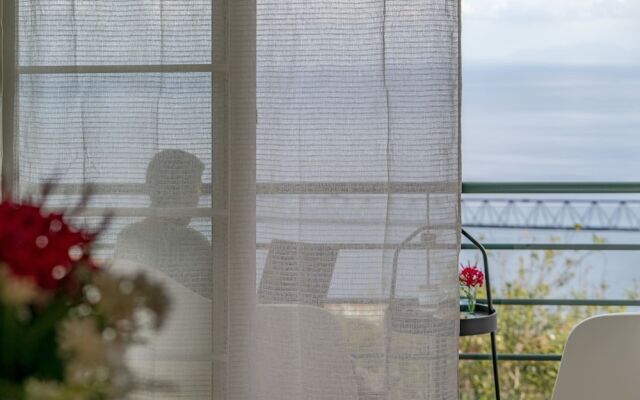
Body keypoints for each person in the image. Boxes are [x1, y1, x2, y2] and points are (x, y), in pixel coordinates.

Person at [115, 149, 212, 299]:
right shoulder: (195, 244)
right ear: (184, 193)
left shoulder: (128, 237)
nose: (198, 196)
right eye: (197, 188)